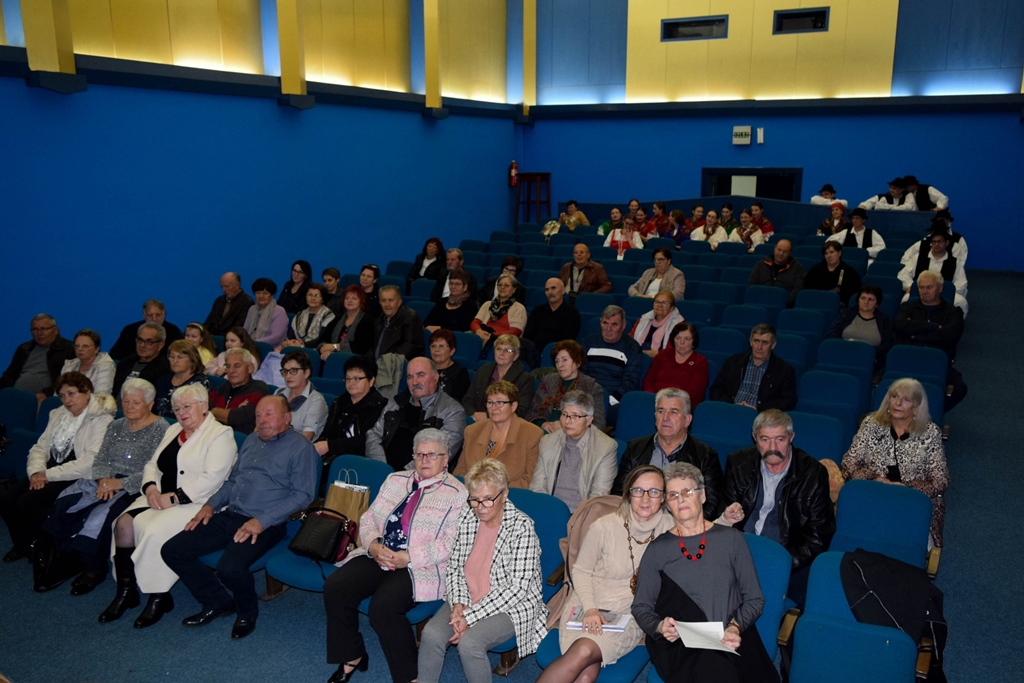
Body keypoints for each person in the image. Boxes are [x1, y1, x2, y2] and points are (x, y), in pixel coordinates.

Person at [161, 395, 317, 639]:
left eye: (268, 414)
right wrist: (210, 506)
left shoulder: (301, 448)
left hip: (267, 524)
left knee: (230, 568)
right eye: (258, 415)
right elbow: (232, 481)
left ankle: (247, 612)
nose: (261, 420)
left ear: (287, 417)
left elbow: (303, 496)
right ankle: (218, 601)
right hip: (231, 514)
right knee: (173, 550)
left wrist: (261, 521)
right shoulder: (252, 440)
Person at [323, 429, 468, 683]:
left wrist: (409, 557)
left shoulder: (457, 494)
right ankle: (352, 655)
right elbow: (369, 517)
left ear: (446, 459)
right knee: (336, 587)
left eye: (432, 455)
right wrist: (373, 545)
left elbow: (452, 543)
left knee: (383, 608)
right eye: (419, 454)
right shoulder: (395, 479)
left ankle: (410, 677)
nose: (424, 459)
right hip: (381, 554)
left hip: (420, 566)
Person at [97, 383, 237, 627]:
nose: (181, 412)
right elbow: (152, 464)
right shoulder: (173, 429)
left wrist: (173, 498)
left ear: (204, 406)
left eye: (187, 406)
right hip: (159, 495)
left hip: (196, 503)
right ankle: (126, 591)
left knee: (152, 531)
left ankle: (158, 595)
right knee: (123, 524)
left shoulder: (220, 434)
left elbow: (212, 479)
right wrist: (151, 488)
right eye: (177, 408)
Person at [632, 461, 779, 683]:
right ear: (667, 504)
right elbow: (641, 606)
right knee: (718, 670)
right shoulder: (657, 550)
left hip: (730, 633)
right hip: (682, 642)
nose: (680, 499)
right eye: (672, 495)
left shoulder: (731, 539)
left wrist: (735, 627)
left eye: (687, 492)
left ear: (702, 495)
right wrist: (660, 626)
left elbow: (754, 599)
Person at [535, 465, 674, 683]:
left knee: (585, 655)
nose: (646, 499)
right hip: (588, 601)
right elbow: (581, 571)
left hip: (630, 612)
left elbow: (704, 535)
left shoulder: (671, 528)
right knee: (585, 665)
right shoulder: (604, 526)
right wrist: (590, 608)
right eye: (638, 491)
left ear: (664, 497)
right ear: (628, 494)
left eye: (654, 491)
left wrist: (726, 519)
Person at [418, 459, 548, 683]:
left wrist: (469, 617)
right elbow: (455, 566)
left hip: (509, 606)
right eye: (475, 500)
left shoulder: (522, 527)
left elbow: (517, 589)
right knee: (431, 634)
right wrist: (459, 604)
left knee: (470, 644)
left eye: (488, 500)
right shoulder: (468, 516)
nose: (480, 507)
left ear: (504, 495)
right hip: (467, 595)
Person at [33, 379, 168, 595]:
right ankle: (67, 557)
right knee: (66, 502)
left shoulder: (161, 429)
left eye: (136, 402)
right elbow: (100, 459)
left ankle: (95, 569)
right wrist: (103, 480)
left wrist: (120, 483)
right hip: (105, 480)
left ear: (150, 404)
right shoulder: (116, 425)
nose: (129, 407)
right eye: (126, 401)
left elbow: (157, 469)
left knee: (104, 516)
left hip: (136, 486)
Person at [720, 409, 834, 604]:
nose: (772, 447)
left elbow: (819, 534)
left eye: (780, 439)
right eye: (765, 439)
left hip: (788, 556)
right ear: (755, 438)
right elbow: (723, 514)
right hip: (741, 550)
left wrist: (784, 563)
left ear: (791, 438)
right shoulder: (738, 463)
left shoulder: (813, 474)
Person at [0, 372, 115, 564]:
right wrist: (36, 471)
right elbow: (40, 447)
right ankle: (23, 544)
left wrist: (47, 475)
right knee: (6, 499)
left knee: (29, 503)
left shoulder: (102, 418)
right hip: (50, 470)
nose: (66, 400)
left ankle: (48, 548)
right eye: (62, 395)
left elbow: (90, 461)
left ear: (87, 392)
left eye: (71, 393)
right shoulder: (58, 414)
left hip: (78, 474)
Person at [842, 378, 949, 545]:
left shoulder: (930, 433)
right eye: (894, 396)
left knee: (899, 538)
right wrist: (873, 479)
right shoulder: (871, 424)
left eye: (906, 400)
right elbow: (849, 462)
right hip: (873, 491)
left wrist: (906, 488)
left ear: (917, 408)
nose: (898, 403)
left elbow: (940, 481)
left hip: (910, 499)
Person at [611, 388, 723, 519]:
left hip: (681, 526)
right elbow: (619, 494)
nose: (665, 418)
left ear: (687, 420)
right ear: (655, 417)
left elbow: (710, 506)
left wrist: (679, 525)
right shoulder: (635, 449)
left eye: (673, 412)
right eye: (661, 411)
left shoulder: (705, 456)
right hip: (637, 521)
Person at [365, 357, 466, 470]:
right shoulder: (397, 402)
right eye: (410, 377)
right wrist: (382, 467)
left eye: (421, 375)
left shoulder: (453, 411)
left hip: (421, 476)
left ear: (435, 377)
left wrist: (401, 475)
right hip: (384, 470)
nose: (415, 382)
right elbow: (374, 435)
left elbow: (439, 454)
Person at [529, 391, 617, 510]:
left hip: (582, 512)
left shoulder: (605, 447)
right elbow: (537, 487)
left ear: (589, 419)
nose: (568, 421)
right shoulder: (547, 442)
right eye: (565, 414)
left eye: (576, 416)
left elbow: (598, 497)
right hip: (549, 509)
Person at [894, 271, 967, 410]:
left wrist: (915, 334)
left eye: (929, 287)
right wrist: (933, 327)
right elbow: (899, 326)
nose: (924, 291)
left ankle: (930, 412)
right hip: (908, 358)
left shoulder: (953, 312)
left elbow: (951, 335)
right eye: (921, 288)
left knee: (959, 389)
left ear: (940, 288)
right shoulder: (908, 307)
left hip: (937, 361)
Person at [455, 381, 543, 489]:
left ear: (513, 406)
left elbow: (528, 480)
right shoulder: (472, 431)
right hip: (471, 493)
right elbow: (459, 472)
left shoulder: (532, 434)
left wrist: (492, 491)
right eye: (490, 402)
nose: (494, 407)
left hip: (510, 495)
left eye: (500, 402)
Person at [315, 356, 387, 471]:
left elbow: (365, 441)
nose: (351, 383)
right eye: (348, 378)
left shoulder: (378, 406)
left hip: (358, 461)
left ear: (371, 381)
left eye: (357, 379)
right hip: (332, 455)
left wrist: (329, 446)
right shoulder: (340, 401)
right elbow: (327, 431)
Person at [709, 324, 798, 412]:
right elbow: (716, 390)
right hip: (731, 409)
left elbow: (789, 400)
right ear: (751, 342)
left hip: (760, 416)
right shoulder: (733, 362)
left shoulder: (784, 370)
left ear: (773, 345)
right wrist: (732, 405)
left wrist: (759, 409)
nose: (759, 347)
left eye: (765, 343)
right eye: (756, 341)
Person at [525, 340, 606, 433]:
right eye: (557, 361)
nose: (560, 365)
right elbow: (532, 412)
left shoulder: (591, 387)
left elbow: (599, 424)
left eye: (565, 360)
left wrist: (566, 426)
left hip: (575, 436)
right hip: (545, 432)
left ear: (578, 362)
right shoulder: (548, 381)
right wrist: (543, 424)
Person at [581, 306, 643, 423]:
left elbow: (630, 382)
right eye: (605, 323)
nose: (608, 329)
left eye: (614, 325)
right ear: (600, 322)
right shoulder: (590, 341)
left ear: (623, 326)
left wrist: (606, 401)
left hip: (613, 401)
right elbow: (581, 372)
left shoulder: (632, 347)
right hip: (587, 396)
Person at [0, 313, 75, 400]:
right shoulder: (24, 349)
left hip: (44, 400)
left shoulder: (69, 349)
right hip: (14, 396)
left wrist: (48, 394)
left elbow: (70, 379)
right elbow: (9, 375)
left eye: (44, 329)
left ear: (55, 330)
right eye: (35, 329)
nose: (39, 333)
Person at [462, 335, 535, 422]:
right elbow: (468, 399)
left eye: (508, 350)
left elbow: (520, 410)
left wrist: (487, 416)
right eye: (499, 348)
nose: (501, 353)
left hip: (503, 423)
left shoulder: (525, 379)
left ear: (516, 356)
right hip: (475, 419)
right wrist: (473, 414)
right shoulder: (484, 370)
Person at [898, 229, 968, 314]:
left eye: (940, 241)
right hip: (921, 291)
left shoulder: (955, 262)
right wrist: (910, 286)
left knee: (961, 302)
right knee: (906, 299)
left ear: (947, 243)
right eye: (934, 242)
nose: (937, 244)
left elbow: (961, 283)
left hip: (944, 292)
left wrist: (941, 291)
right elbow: (903, 275)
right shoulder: (918, 258)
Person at [827, 285, 894, 374]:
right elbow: (832, 334)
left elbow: (887, 344)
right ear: (858, 300)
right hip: (843, 353)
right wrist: (845, 346)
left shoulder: (884, 319)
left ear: (877, 303)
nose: (866, 302)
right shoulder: (845, 313)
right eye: (863, 298)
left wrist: (867, 350)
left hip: (868, 359)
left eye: (870, 299)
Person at [642, 322, 709, 406]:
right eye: (678, 338)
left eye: (687, 339)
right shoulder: (663, 355)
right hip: (655, 401)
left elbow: (695, 393)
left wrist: (671, 402)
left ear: (693, 341)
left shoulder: (700, 362)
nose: (681, 342)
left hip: (682, 405)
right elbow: (648, 381)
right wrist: (654, 398)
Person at [209, 348, 271, 434]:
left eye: (237, 366)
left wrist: (214, 411)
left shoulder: (259, 388)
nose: (231, 371)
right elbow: (204, 410)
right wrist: (232, 412)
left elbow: (240, 416)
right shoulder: (221, 388)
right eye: (228, 366)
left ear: (250, 368)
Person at [522, 278, 582, 367]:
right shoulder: (537, 311)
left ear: (563, 291)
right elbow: (528, 334)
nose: (550, 292)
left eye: (553, 288)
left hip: (558, 354)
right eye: (547, 290)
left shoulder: (572, 313)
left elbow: (569, 338)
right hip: (534, 354)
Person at [274, 350, 328, 440]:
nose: (288, 376)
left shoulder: (316, 400)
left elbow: (306, 437)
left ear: (306, 373)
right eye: (285, 371)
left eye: (293, 371)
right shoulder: (278, 393)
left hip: (296, 446)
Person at [111, 322, 171, 401]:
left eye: (149, 342)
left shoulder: (163, 370)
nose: (142, 345)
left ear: (160, 345)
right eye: (140, 340)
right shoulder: (125, 363)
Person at [469, 274, 528, 353]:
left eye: (506, 285)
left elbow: (515, 331)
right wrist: (479, 331)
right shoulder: (487, 304)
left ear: (514, 289)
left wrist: (493, 335)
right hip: (483, 334)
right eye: (500, 285)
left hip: (504, 339)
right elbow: (475, 322)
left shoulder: (519, 308)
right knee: (467, 336)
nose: (502, 287)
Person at [109, 299, 184, 361]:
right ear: (144, 315)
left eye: (158, 315)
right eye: (150, 315)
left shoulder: (174, 332)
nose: (154, 319)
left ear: (164, 314)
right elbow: (115, 355)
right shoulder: (130, 331)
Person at [153, 340, 210, 418]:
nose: (175, 361)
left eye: (180, 357)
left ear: (192, 359)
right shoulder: (163, 380)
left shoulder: (200, 382)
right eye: (172, 356)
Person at [316, 285, 374, 360]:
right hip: (332, 357)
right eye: (347, 298)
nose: (350, 301)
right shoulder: (338, 319)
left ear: (361, 301)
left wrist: (335, 347)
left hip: (356, 361)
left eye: (354, 298)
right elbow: (323, 338)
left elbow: (361, 346)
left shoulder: (367, 320)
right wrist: (324, 349)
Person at [372, 285, 425, 360]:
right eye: (383, 300)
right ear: (380, 302)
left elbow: (410, 348)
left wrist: (386, 362)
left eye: (390, 300)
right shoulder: (379, 320)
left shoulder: (410, 318)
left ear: (399, 302)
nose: (387, 304)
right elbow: (372, 347)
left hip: (397, 364)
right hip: (378, 364)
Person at [747, 239, 805, 307]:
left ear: (790, 253)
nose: (781, 254)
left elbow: (797, 289)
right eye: (779, 250)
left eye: (785, 251)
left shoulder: (797, 267)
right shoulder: (761, 264)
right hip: (759, 302)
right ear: (774, 249)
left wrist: (782, 300)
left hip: (783, 305)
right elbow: (752, 284)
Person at [803, 240, 863, 306]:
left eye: (832, 252)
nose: (829, 256)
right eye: (826, 253)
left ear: (839, 253)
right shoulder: (815, 271)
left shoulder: (849, 273)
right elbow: (807, 290)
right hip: (816, 303)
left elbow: (853, 294)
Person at [60, 329, 116, 395]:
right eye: (77, 346)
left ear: (96, 349)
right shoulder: (69, 365)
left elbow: (102, 395)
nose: (80, 349)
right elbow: (58, 392)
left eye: (85, 346)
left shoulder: (105, 366)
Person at [630, 292, 684, 359]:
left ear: (672, 308)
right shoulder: (643, 320)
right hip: (637, 357)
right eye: (657, 302)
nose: (659, 305)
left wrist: (658, 355)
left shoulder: (678, 325)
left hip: (662, 361)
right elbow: (630, 340)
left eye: (664, 303)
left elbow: (675, 351)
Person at [282, 283, 336, 349]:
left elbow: (321, 339)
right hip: (296, 348)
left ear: (322, 299)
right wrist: (287, 342)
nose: (313, 298)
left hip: (316, 350)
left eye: (317, 295)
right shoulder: (300, 315)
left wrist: (302, 345)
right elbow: (291, 336)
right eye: (310, 295)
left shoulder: (328, 316)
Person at [424, 268, 477, 333]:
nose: (453, 286)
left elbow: (464, 326)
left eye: (457, 284)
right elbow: (427, 321)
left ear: (465, 287)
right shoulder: (441, 302)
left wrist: (440, 328)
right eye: (451, 283)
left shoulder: (470, 305)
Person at [203, 272, 254, 337]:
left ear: (237, 284)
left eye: (227, 286)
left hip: (230, 339)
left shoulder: (247, 303)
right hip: (213, 338)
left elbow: (238, 328)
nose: (224, 290)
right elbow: (208, 323)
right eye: (222, 287)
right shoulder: (219, 301)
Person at [243, 277, 289, 347]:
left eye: (265, 293)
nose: (261, 296)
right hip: (250, 345)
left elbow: (276, 337)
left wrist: (254, 343)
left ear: (272, 296)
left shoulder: (279, 311)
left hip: (270, 347)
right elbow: (245, 331)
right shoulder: (252, 309)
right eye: (258, 293)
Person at [428, 329, 471, 402]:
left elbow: (457, 402)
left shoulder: (460, 372)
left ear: (452, 351)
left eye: (441, 346)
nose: (436, 350)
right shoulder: (424, 368)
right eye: (433, 346)